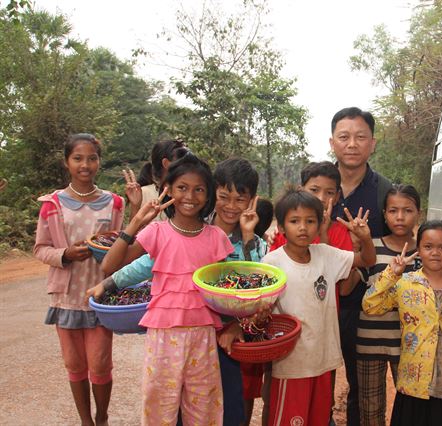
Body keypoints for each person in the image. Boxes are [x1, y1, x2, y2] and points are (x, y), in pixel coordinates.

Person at [93, 157, 268, 426]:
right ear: (169, 189)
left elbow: (233, 286)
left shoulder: (219, 239)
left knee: (211, 408)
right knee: (162, 407)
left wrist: (236, 324)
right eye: (182, 188)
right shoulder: (159, 231)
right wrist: (136, 220)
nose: (190, 196)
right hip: (165, 334)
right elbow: (120, 265)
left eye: (199, 189)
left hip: (209, 336)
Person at [263, 189, 376, 426]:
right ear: (282, 228)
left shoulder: (326, 254)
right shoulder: (272, 263)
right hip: (290, 364)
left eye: (310, 221)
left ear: (319, 224)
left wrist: (364, 239)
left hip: (323, 361)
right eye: (294, 221)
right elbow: (259, 311)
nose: (303, 227)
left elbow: (367, 260)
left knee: (319, 420)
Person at [33, 133, 124, 426]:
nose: (85, 164)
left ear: (99, 161)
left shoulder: (115, 203)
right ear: (66, 162)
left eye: (92, 158)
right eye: (78, 158)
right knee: (74, 365)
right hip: (67, 296)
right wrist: (65, 254)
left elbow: (123, 244)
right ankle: (86, 421)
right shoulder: (52, 204)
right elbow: (40, 249)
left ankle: (102, 417)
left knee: (100, 363)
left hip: (100, 294)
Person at [362, 220, 442, 426]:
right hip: (416, 383)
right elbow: (370, 305)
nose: (435, 252)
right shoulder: (405, 283)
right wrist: (392, 273)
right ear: (418, 249)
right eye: (428, 247)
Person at [329, 107, 393, 425]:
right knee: (316, 379)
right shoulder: (318, 186)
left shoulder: (385, 192)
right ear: (332, 142)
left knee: (361, 384)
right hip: (321, 301)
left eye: (360, 137)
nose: (352, 144)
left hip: (367, 305)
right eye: (344, 137)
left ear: (373, 143)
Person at [356, 185, 423, 426]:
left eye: (407, 210)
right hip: (369, 341)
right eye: (393, 210)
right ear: (384, 213)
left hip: (410, 344)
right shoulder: (371, 246)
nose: (400, 217)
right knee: (370, 410)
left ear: (419, 214)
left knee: (411, 407)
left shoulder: (425, 251)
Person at [122, 138, 188, 220]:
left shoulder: (191, 193)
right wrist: (135, 206)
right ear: (166, 163)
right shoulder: (143, 193)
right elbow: (133, 231)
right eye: (183, 160)